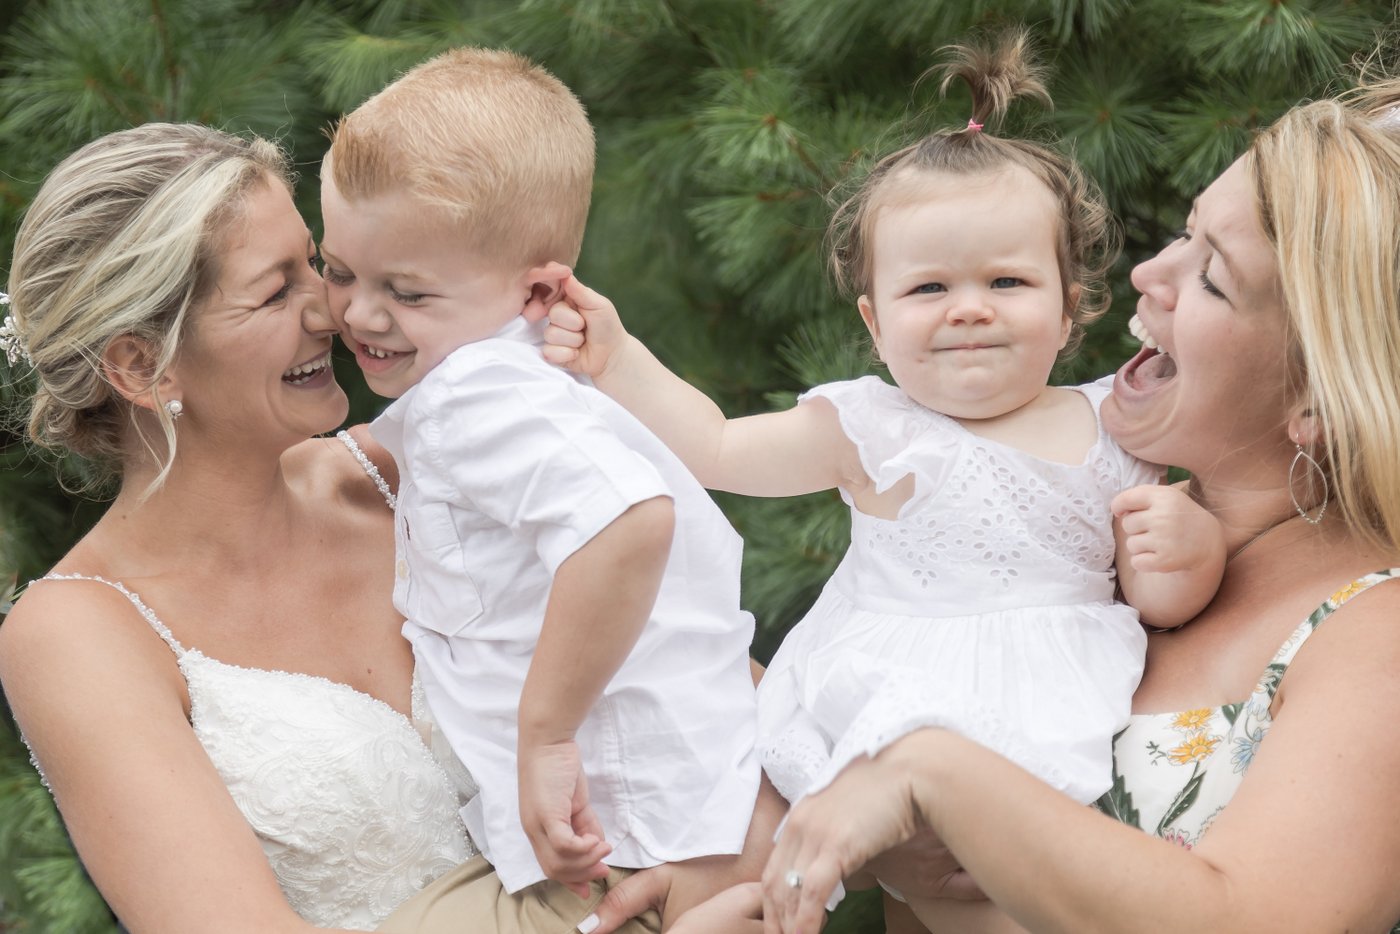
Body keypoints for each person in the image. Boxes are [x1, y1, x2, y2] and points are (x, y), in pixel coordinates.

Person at [541, 32, 1225, 855]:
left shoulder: (1113, 422)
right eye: (928, 287)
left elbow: (1156, 602)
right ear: (874, 322)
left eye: (1006, 282)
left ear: (1071, 305)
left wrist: (1190, 555)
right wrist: (618, 359)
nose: (968, 308)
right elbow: (719, 448)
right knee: (913, 870)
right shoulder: (868, 428)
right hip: (889, 692)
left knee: (1016, 880)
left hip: (1062, 699)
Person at [750, 71, 1400, 934]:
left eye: (1211, 278)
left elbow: (1254, 919)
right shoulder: (1076, 528)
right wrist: (749, 865)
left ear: (1318, 398)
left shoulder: (1374, 636)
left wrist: (929, 777)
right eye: (1183, 231)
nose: (1147, 274)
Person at [317, 47, 767, 927]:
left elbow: (630, 521)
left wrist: (545, 733)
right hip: (686, 802)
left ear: (535, 285)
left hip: (630, 827)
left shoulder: (474, 398)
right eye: (340, 272)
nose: (360, 314)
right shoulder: (549, 372)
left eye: (405, 291)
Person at [0, 122, 476, 932]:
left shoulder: (412, 475)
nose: (332, 309)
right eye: (275, 289)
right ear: (142, 367)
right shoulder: (80, 633)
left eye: (313, 265)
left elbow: (691, 669)